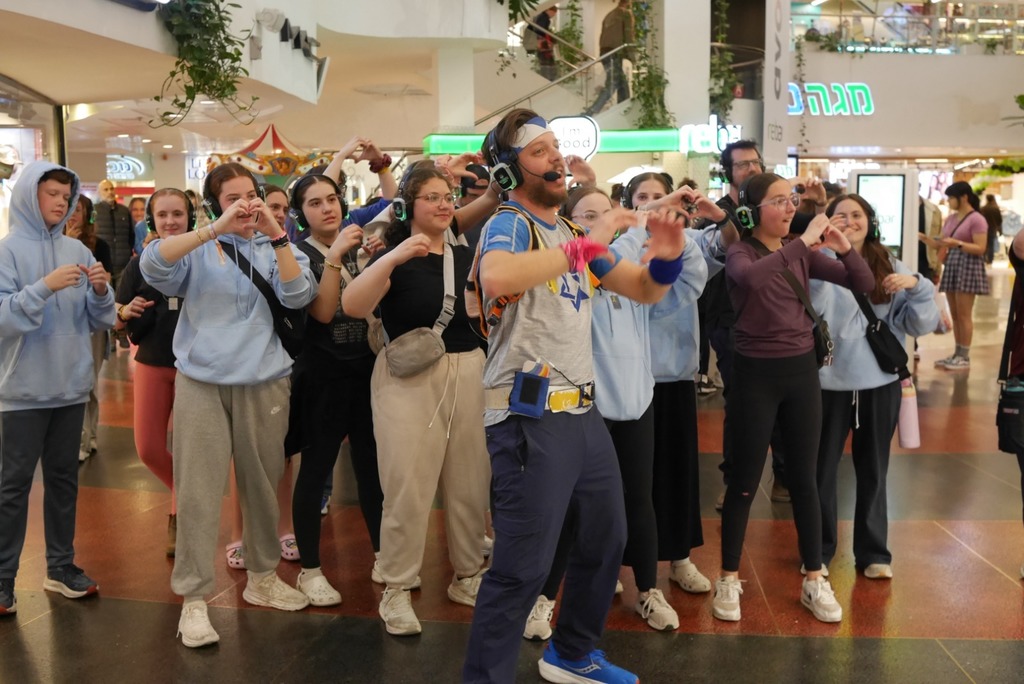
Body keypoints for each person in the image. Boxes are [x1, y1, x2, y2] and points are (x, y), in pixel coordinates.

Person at [462, 109, 685, 684]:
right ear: (508, 172)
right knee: (522, 565)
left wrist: (668, 254)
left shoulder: (567, 233)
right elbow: (497, 277)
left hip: (582, 412)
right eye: (539, 151)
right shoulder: (510, 223)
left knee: (606, 538)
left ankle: (572, 653)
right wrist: (586, 246)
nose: (556, 157)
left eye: (555, 146)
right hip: (527, 417)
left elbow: (643, 289)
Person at [141, 162, 319, 648]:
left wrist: (276, 233)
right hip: (201, 382)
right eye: (232, 198)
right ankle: (194, 599)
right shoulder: (199, 247)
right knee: (197, 490)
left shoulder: (276, 245)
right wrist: (213, 230)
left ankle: (262, 577)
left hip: (265, 380)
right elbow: (154, 265)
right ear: (213, 204)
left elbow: (299, 294)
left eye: (251, 194)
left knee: (262, 483)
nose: (246, 205)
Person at [714, 172, 873, 624]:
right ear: (751, 212)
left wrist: (844, 248)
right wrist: (804, 243)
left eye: (792, 199)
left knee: (804, 479)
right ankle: (728, 576)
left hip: (801, 374)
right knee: (744, 481)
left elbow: (862, 282)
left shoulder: (799, 253)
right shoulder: (742, 251)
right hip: (754, 377)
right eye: (779, 201)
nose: (789, 208)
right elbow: (751, 280)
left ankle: (814, 577)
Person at [343, 165, 490, 637]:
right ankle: (397, 585)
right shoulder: (393, 254)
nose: (444, 204)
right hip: (408, 378)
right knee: (406, 485)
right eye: (432, 197)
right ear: (408, 205)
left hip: (470, 371)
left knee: (470, 483)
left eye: (448, 196)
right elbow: (353, 305)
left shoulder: (469, 254)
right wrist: (391, 258)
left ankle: (468, 574)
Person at [0, 161, 115, 616]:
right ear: (30, 195)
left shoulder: (77, 249)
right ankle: (2, 579)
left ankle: (61, 567)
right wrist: (43, 288)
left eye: (65, 197)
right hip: (20, 392)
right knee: (12, 486)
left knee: (65, 480)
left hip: (70, 387)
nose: (60, 203)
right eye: (51, 194)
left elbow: (99, 319)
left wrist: (102, 292)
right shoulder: (7, 251)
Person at [813, 194, 938, 579]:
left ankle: (874, 553)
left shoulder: (890, 265)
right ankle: (817, 552)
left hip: (879, 383)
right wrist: (822, 253)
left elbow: (920, 325)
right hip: (827, 385)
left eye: (857, 215)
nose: (849, 221)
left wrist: (918, 286)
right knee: (820, 471)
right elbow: (810, 312)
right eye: (840, 215)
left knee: (874, 469)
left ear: (870, 221)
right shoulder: (817, 260)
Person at [289, 172, 385, 606]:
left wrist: (380, 262)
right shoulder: (298, 252)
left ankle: (383, 555)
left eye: (331, 199)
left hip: (367, 372)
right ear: (301, 214)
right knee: (315, 471)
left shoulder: (360, 245)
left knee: (372, 470)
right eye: (315, 203)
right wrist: (337, 255)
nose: (327, 208)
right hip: (322, 378)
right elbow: (324, 313)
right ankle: (310, 570)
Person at [114, 189, 192, 557]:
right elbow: (115, 314)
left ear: (190, 217)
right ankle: (186, 492)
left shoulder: (206, 258)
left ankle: (178, 516)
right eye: (163, 215)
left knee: (190, 449)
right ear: (151, 220)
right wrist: (125, 310)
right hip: (151, 362)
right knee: (147, 448)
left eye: (178, 214)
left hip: (196, 368)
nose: (171, 221)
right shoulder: (139, 264)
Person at [64, 194, 112, 463]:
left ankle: (89, 436)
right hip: (66, 323)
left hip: (92, 323)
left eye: (78, 209)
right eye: (69, 208)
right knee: (71, 382)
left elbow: (104, 283)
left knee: (89, 383)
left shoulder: (99, 246)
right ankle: (80, 439)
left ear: (87, 214)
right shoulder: (54, 246)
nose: (72, 214)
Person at [920, 181, 989, 370]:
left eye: (951, 197)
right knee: (956, 314)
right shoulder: (951, 218)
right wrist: (925, 238)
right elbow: (941, 243)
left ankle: (964, 356)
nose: (949, 201)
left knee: (964, 314)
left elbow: (981, 248)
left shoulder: (977, 219)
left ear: (964, 197)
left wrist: (957, 243)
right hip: (952, 265)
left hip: (968, 266)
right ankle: (957, 353)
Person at [584, 0, 634, 116]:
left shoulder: (610, 15)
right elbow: (629, 35)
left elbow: (602, 36)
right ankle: (592, 110)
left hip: (605, 52)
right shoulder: (625, 14)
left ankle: (624, 109)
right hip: (614, 52)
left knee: (622, 82)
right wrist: (632, 56)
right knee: (613, 83)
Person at [94, 179, 133, 286]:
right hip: (102, 265)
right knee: (105, 294)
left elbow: (131, 235)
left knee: (122, 294)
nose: (110, 192)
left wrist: (128, 253)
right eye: (106, 189)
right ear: (99, 193)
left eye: (111, 189)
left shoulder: (124, 211)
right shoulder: (94, 211)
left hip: (123, 265)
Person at [981, 193, 1003, 264]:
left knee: (984, 244)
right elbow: (999, 220)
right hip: (992, 229)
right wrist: (1000, 230)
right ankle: (990, 260)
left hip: (983, 229)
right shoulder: (995, 208)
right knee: (991, 245)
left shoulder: (983, 209)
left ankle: (983, 258)